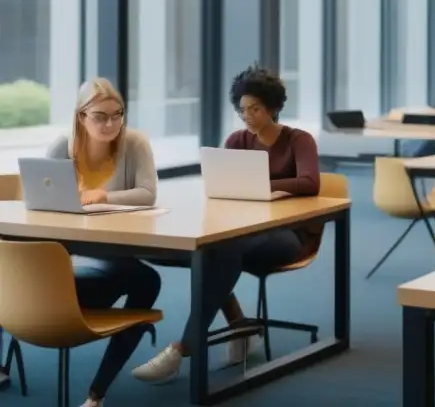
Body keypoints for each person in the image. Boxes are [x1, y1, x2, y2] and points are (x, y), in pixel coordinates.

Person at [133, 65, 321, 383]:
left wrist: (267, 185)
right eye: (243, 109)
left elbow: (310, 182)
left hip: (288, 235)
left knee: (221, 251)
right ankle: (240, 327)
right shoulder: (237, 139)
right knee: (206, 251)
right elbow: (220, 182)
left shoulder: (298, 141)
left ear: (273, 107)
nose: (247, 116)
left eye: (255, 109)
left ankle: (182, 349)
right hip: (239, 229)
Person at [47, 78, 161, 407]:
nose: (110, 123)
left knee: (146, 278)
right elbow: (42, 197)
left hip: (116, 249)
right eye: (100, 116)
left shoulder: (135, 143)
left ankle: (97, 393)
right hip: (64, 255)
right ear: (81, 116)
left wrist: (104, 195)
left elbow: (148, 194)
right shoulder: (60, 148)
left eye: (117, 114)